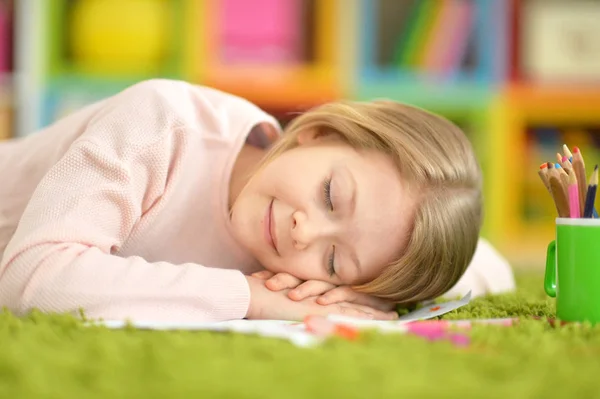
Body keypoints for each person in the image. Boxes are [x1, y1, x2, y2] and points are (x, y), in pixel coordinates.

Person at [0, 79, 514, 323]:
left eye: (334, 261)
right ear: (321, 132)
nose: (304, 232)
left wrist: (381, 294)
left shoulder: (340, 253)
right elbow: (33, 278)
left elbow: (488, 268)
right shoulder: (164, 124)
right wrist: (255, 298)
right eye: (330, 196)